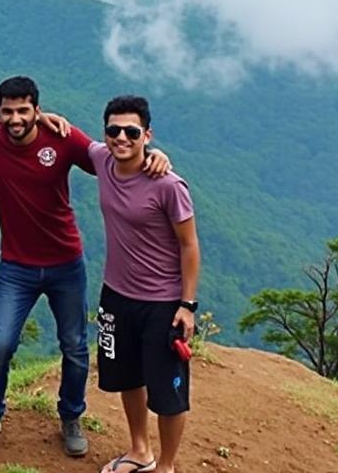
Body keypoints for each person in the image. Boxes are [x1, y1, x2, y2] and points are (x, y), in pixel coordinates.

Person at [0, 75, 169, 460]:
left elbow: (111, 155)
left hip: (66, 263)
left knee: (73, 347)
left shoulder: (63, 138)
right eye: (8, 111)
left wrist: (156, 156)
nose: (15, 118)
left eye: (23, 110)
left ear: (37, 110)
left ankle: (71, 416)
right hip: (15, 267)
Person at [90, 95, 199, 473]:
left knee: (168, 392)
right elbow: (65, 134)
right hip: (116, 295)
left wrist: (187, 306)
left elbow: (189, 245)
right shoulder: (102, 160)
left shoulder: (168, 184)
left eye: (131, 131)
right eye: (113, 130)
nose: (121, 138)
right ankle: (140, 450)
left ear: (147, 135)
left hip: (163, 304)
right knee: (126, 376)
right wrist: (44, 114)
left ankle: (166, 467)